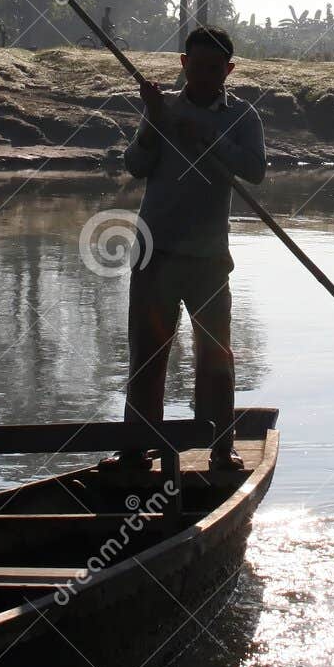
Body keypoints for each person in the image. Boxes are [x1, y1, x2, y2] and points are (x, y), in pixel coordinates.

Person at [116, 26, 267, 476]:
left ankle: (221, 448)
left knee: (215, 355)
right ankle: (135, 449)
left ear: (229, 70)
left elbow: (255, 171)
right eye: (196, 67)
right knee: (147, 356)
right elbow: (136, 164)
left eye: (214, 69)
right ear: (183, 64)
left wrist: (207, 135)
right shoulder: (164, 108)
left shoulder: (242, 117)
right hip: (154, 257)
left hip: (208, 261)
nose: (204, 77)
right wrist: (153, 119)